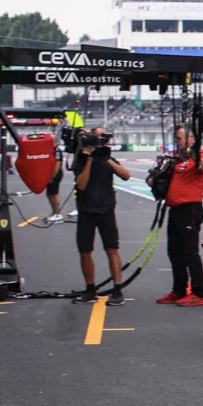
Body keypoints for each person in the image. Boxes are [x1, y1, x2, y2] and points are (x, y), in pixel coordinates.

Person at [70, 127, 131, 306]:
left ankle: (117, 289)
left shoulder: (107, 157)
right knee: (85, 251)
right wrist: (88, 158)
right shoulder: (80, 158)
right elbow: (81, 185)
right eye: (98, 137)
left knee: (112, 249)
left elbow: (126, 175)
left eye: (104, 138)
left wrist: (106, 159)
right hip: (86, 210)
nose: (101, 141)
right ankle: (90, 289)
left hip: (106, 210)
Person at [155, 126, 203, 307]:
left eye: (180, 138)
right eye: (177, 138)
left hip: (190, 209)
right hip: (175, 209)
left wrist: (193, 154)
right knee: (174, 252)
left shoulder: (200, 154)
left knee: (189, 252)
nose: (177, 141)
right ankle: (179, 289)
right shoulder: (177, 159)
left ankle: (198, 292)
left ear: (190, 139)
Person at [44, 143, 65, 224]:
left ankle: (57, 214)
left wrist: (53, 176)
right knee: (49, 193)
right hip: (48, 173)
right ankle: (54, 212)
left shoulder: (56, 150)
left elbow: (57, 163)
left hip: (55, 174)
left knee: (54, 193)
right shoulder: (48, 149)